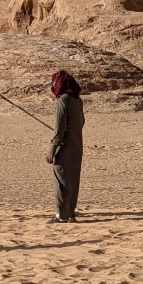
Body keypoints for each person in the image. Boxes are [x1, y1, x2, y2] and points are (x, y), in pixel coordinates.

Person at [46, 70, 84, 223]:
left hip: (64, 148)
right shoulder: (78, 100)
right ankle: (70, 213)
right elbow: (81, 123)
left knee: (61, 182)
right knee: (73, 181)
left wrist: (52, 149)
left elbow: (59, 129)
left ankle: (62, 216)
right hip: (77, 146)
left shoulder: (63, 100)